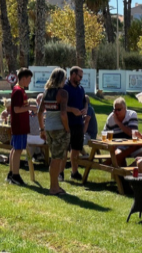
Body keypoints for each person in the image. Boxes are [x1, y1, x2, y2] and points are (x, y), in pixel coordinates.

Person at [37, 67, 70, 196]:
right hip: (59, 129)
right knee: (56, 159)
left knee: (55, 158)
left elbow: (40, 112)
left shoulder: (46, 92)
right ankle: (53, 188)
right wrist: (67, 129)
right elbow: (63, 114)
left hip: (49, 128)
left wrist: (42, 129)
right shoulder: (63, 93)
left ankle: (55, 186)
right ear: (61, 79)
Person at [6, 68, 36, 186]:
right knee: (18, 149)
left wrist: (27, 111)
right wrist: (30, 108)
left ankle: (11, 173)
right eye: (29, 79)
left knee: (15, 149)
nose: (30, 81)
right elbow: (16, 109)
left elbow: (20, 108)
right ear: (23, 78)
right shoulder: (18, 91)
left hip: (21, 124)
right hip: (19, 125)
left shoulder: (21, 90)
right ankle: (15, 175)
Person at [63, 66, 89, 181]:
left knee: (76, 150)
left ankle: (74, 172)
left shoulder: (81, 89)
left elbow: (85, 101)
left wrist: (85, 109)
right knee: (64, 150)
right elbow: (60, 107)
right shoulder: (64, 88)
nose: (81, 79)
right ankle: (60, 172)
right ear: (73, 74)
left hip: (79, 123)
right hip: (66, 123)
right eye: (79, 76)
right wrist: (72, 110)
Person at [103, 97, 142, 166]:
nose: (117, 112)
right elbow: (105, 135)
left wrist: (118, 123)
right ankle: (121, 175)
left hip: (133, 145)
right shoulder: (110, 118)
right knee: (118, 155)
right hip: (120, 146)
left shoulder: (132, 115)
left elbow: (131, 133)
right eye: (115, 110)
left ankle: (129, 172)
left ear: (125, 109)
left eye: (119, 109)